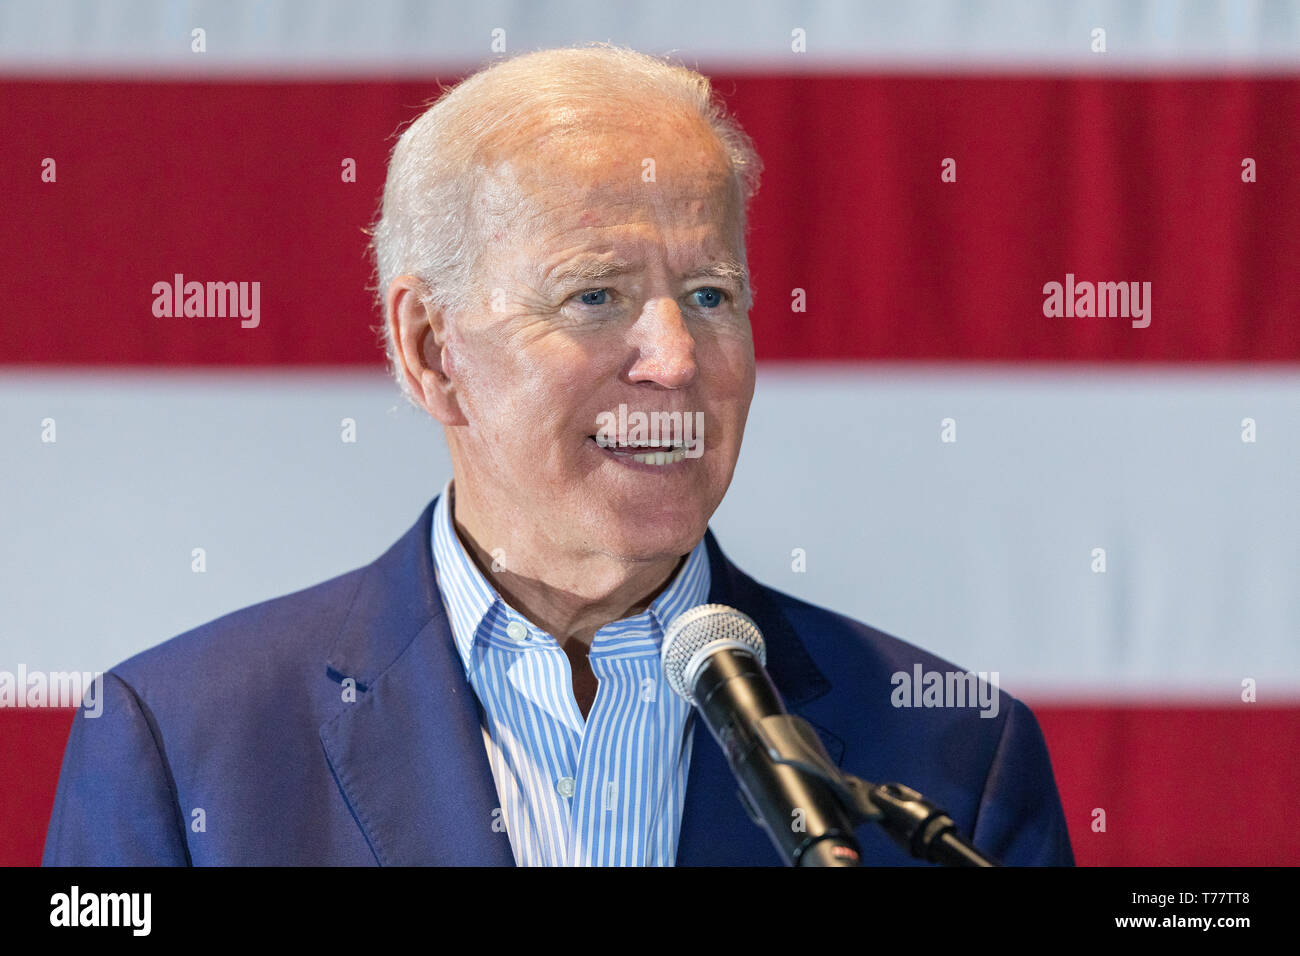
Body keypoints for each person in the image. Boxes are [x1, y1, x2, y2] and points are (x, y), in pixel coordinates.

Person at [43, 44, 1073, 867]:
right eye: (595, 296)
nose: (675, 360)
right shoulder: (181, 745)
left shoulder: (957, 756)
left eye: (710, 295)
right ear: (430, 349)